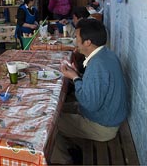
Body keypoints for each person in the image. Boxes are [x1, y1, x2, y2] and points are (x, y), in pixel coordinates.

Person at [51, 19, 128, 164]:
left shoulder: (97, 64)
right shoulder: (105, 54)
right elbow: (96, 87)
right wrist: (78, 75)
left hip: (103, 125)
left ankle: (65, 160)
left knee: (50, 124)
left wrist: (74, 78)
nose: (75, 42)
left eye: (77, 39)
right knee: (56, 109)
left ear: (88, 42)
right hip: (105, 114)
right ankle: (69, 146)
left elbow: (89, 103)